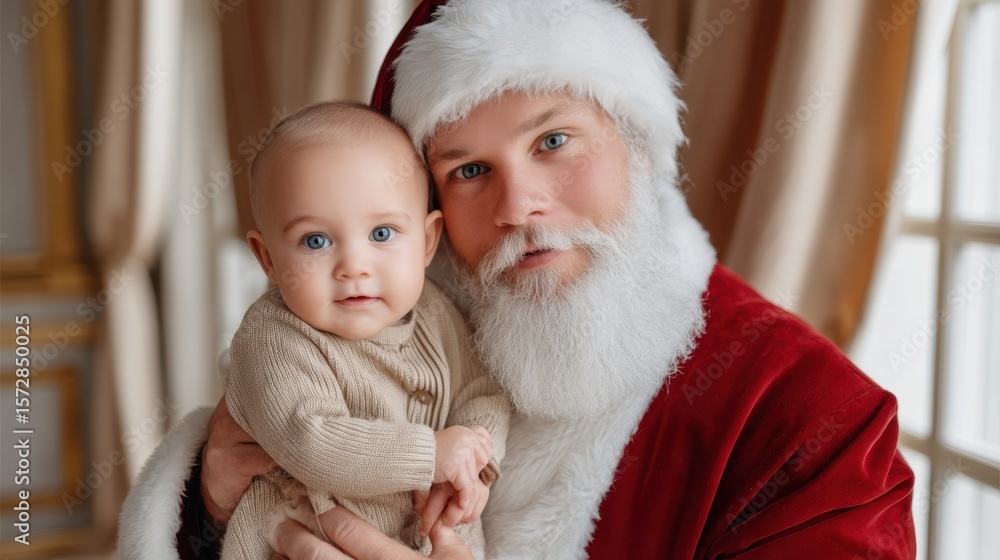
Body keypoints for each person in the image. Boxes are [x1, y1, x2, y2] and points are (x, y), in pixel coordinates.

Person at [118, 1, 917, 559]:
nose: (518, 206)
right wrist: (210, 511)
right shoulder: (372, 329)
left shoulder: (820, 430)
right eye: (468, 170)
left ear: (636, 142)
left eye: (556, 140)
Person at [211, 101, 509, 559]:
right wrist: (431, 453)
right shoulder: (271, 337)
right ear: (268, 259)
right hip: (305, 540)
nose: (354, 266)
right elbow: (310, 439)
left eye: (383, 233)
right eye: (316, 241)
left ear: (428, 241)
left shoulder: (434, 309)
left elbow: (482, 388)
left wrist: (475, 458)